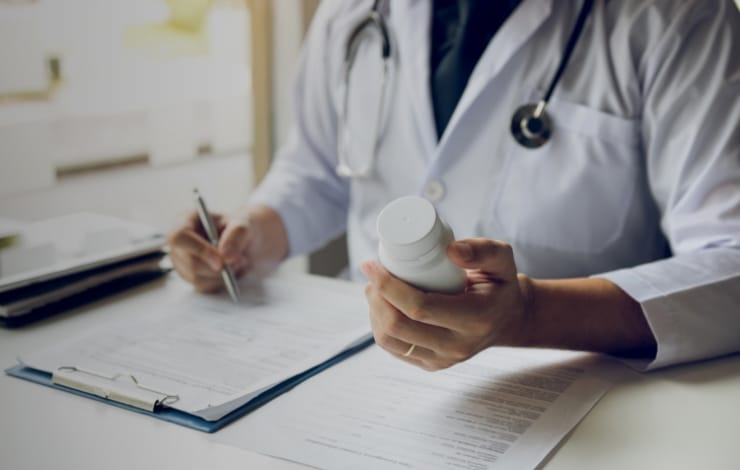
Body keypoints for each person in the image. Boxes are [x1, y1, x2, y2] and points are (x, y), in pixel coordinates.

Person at [168, 0, 740, 372]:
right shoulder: (351, 13)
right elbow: (316, 171)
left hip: (575, 385)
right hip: (362, 372)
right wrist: (248, 236)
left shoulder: (681, 17)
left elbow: (731, 261)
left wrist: (530, 313)